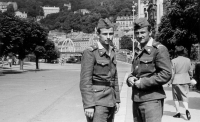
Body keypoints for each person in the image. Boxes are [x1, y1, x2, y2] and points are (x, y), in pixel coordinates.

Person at [126, 18, 172, 122]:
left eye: (143, 32)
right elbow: (135, 72)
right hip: (137, 99)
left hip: (152, 100)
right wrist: (130, 78)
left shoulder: (159, 49)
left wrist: (143, 82)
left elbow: (166, 74)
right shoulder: (139, 50)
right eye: (137, 33)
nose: (139, 35)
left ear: (150, 32)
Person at [80, 18, 120, 122]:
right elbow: (85, 81)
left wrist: (117, 99)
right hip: (97, 100)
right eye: (105, 34)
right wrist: (88, 105)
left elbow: (114, 78)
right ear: (98, 34)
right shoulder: (90, 52)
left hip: (111, 99)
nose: (108, 37)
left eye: (111, 34)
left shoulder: (112, 52)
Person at [170, 45, 193, 120]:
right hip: (185, 79)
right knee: (185, 96)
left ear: (176, 52)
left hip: (176, 80)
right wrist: (190, 77)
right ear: (183, 52)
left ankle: (177, 113)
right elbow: (190, 70)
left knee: (176, 97)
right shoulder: (188, 60)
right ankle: (187, 110)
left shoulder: (173, 61)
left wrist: (170, 81)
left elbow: (172, 72)